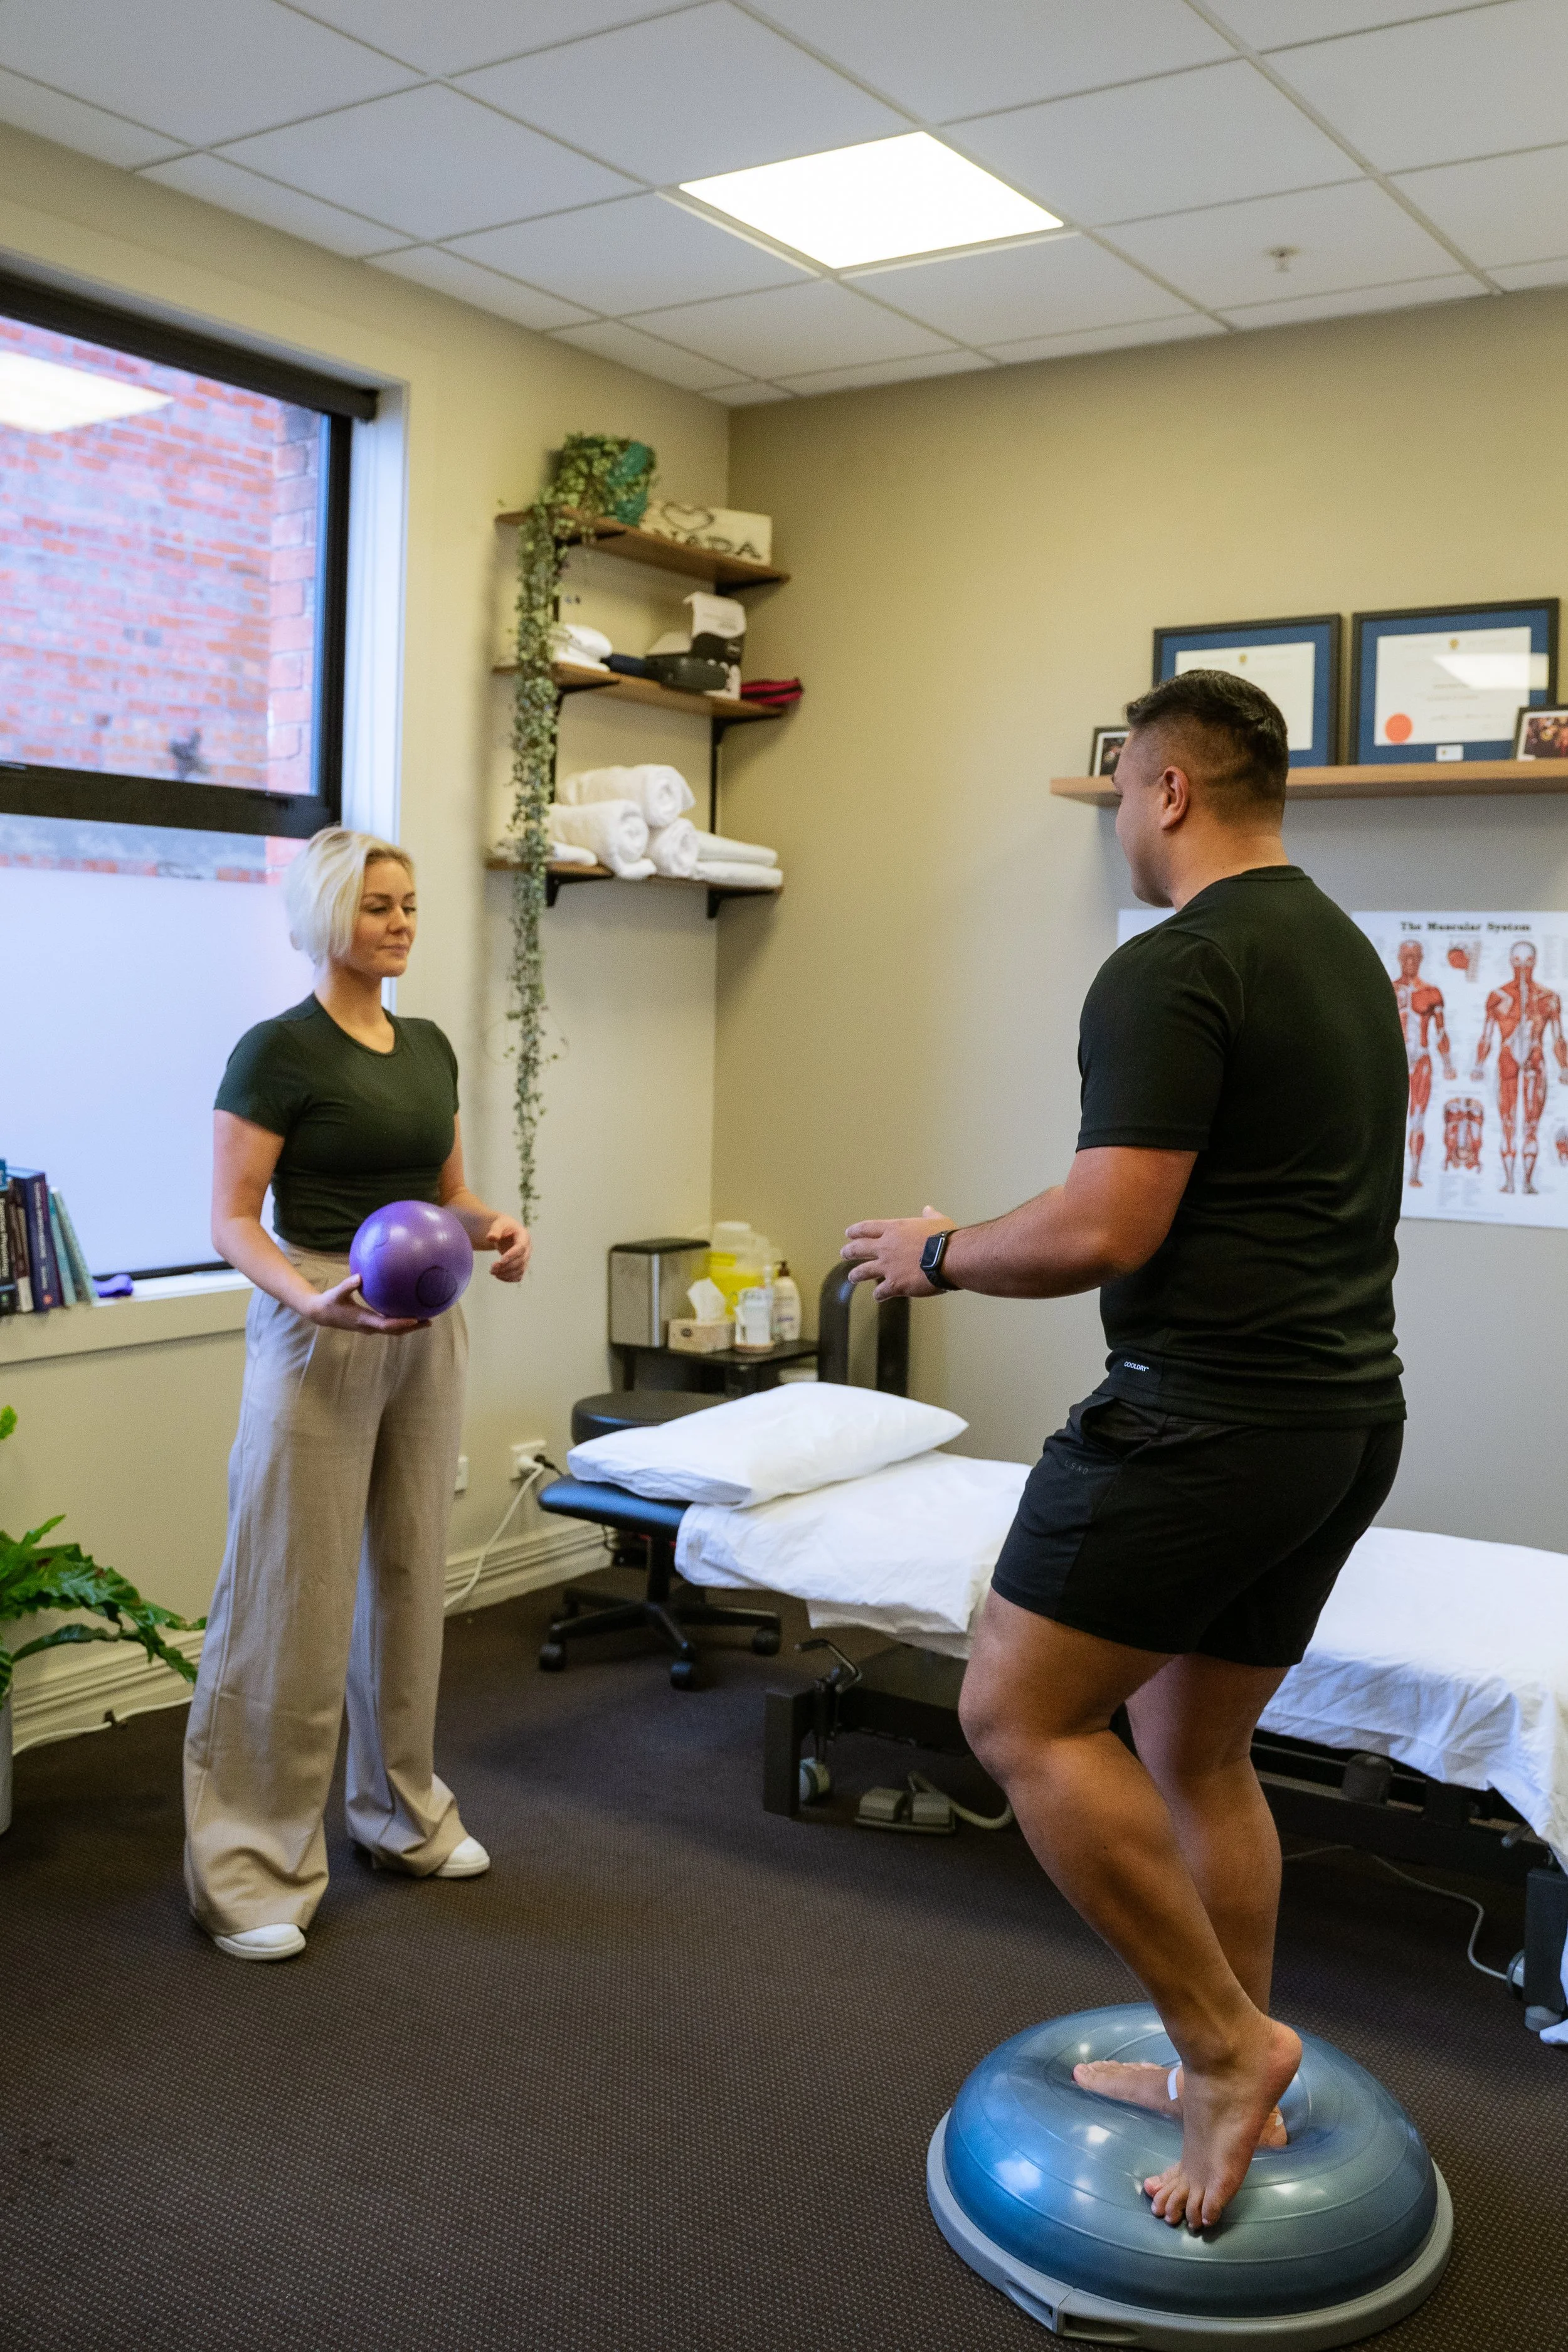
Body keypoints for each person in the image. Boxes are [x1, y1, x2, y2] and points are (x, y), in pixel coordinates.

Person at [842, 671, 1407, 2232]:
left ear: (1164, 790)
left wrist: (939, 1251)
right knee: (1194, 1750)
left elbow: (1103, 1227)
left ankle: (1226, 2046)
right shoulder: (1343, 955)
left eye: (1119, 796)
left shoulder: (1173, 964)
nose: (1116, 826)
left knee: (1015, 1715)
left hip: (1200, 1416)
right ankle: (1218, 2060)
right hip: (1337, 1417)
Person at [184, 829, 531, 1963]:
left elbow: (447, 1190)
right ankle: (248, 1867)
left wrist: (495, 1225)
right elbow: (235, 1215)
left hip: (427, 1320)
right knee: (291, 1590)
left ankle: (402, 1814)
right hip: (320, 1315)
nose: (401, 923)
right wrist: (304, 1296)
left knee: (407, 1572)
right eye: (379, 905)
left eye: (411, 905)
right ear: (328, 914)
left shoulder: (427, 1047)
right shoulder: (276, 1050)